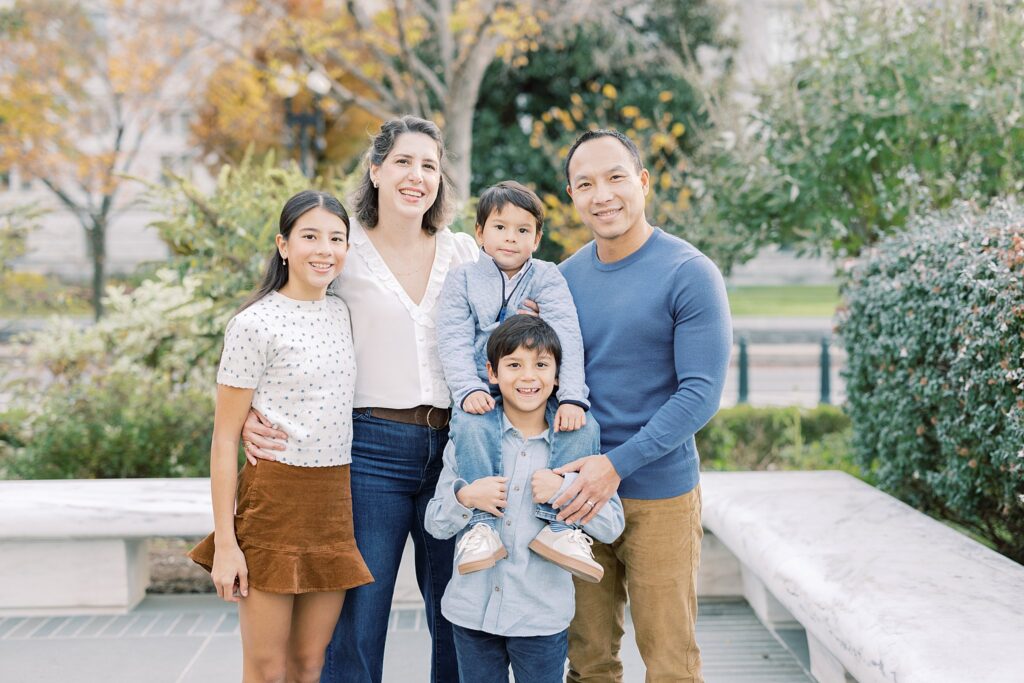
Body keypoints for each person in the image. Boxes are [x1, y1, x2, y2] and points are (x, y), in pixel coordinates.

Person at [240, 117, 477, 683]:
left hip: (457, 450)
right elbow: (278, 322)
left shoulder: (464, 253)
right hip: (371, 449)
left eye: (428, 165)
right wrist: (251, 408)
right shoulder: (343, 252)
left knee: (458, 612)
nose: (416, 176)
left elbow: (505, 329)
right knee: (358, 615)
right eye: (402, 162)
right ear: (375, 170)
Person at [553, 130, 732, 682]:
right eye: (586, 184)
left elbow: (700, 394)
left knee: (670, 660)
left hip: (660, 497)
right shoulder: (563, 279)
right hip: (576, 496)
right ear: (572, 195)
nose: (602, 195)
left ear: (643, 183)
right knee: (587, 660)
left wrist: (616, 466)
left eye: (615, 178)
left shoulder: (690, 273)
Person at [188, 190, 374, 683]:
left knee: (309, 665)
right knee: (267, 670)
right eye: (310, 236)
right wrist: (227, 543)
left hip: (333, 503)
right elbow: (224, 439)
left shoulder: (342, 313)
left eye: (336, 238)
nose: (324, 249)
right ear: (283, 244)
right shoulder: (253, 324)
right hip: (273, 501)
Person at [425, 315, 625, 683]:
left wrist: (564, 492)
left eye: (541, 364)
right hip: (472, 612)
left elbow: (612, 526)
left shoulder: (578, 444)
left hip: (541, 615)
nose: (528, 376)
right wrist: (467, 496)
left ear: (558, 375)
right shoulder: (472, 439)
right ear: (492, 373)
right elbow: (435, 522)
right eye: (514, 365)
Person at [436, 180, 602, 581]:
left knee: (584, 425)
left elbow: (567, 333)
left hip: (534, 386)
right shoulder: (462, 279)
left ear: (537, 238)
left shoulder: (546, 277)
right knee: (471, 423)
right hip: (484, 385)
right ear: (479, 233)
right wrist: (468, 389)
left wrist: (572, 396)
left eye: (522, 230)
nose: (510, 238)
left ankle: (561, 528)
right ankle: (481, 525)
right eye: (500, 227)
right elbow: (454, 339)